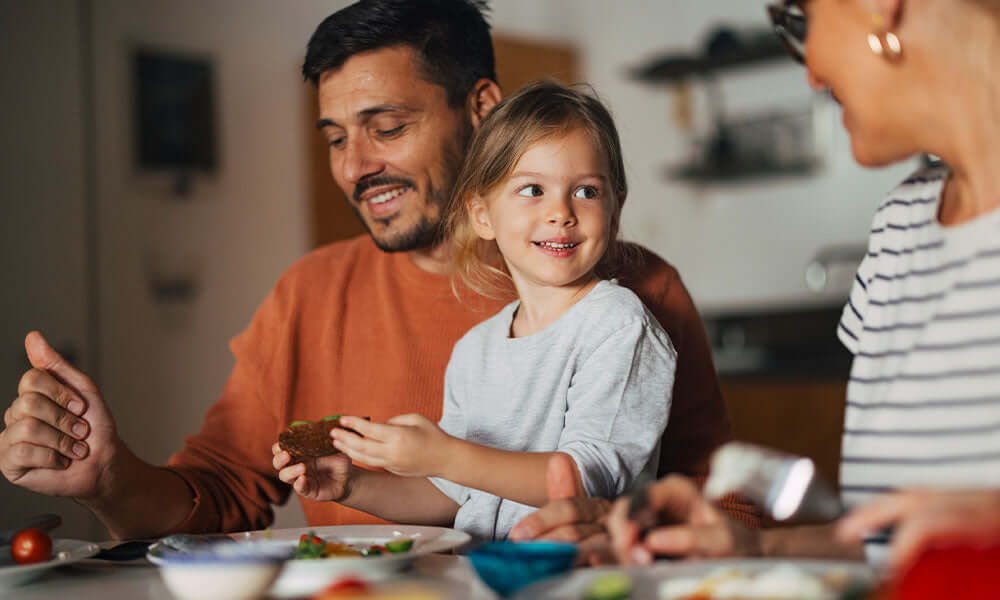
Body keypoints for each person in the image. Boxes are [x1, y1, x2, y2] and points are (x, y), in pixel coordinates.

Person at [0, 0, 751, 540]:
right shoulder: (311, 296)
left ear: (482, 108)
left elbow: (727, 508)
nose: (357, 166)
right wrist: (107, 478)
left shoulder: (635, 292)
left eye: (387, 127)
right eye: (334, 138)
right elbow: (220, 492)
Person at [593, 0, 1000, 571]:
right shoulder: (901, 225)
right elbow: (883, 546)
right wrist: (752, 546)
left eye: (800, 20)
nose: (809, 72)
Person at [272, 81, 677, 542]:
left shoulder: (618, 323)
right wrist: (354, 485)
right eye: (532, 189)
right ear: (481, 215)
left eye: (586, 191)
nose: (560, 212)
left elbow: (590, 479)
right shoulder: (475, 349)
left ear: (615, 207)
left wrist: (445, 455)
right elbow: (455, 495)